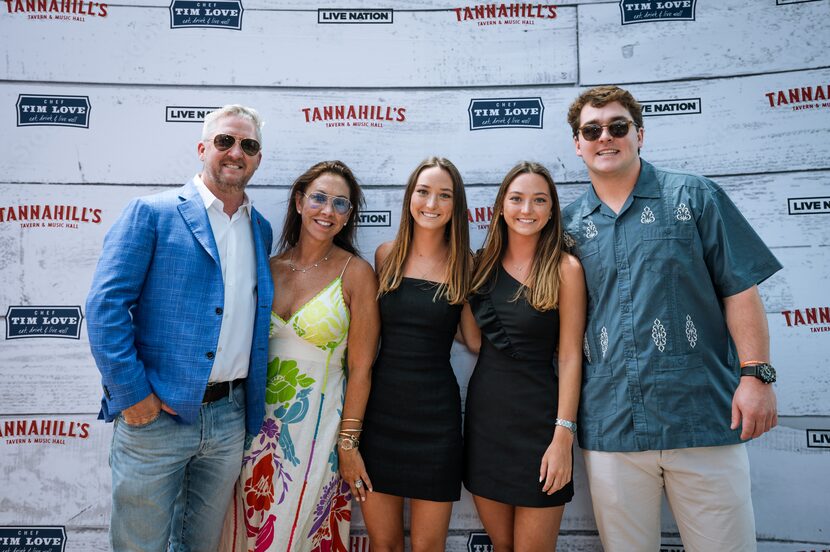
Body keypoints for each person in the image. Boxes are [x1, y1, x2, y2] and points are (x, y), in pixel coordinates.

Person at [562, 85, 782, 551]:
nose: (606, 137)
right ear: (577, 144)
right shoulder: (567, 227)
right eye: (592, 130)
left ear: (640, 134)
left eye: (618, 127)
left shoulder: (695, 195)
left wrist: (756, 376)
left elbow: (740, 288)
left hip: (702, 417)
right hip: (611, 424)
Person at [85, 104, 273, 551]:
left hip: (228, 419)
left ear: (258, 158)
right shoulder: (151, 213)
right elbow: (105, 307)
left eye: (248, 145)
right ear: (203, 147)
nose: (235, 152)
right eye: (225, 141)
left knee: (200, 546)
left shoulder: (260, 229)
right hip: (156, 417)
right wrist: (134, 397)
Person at [220, 160, 380, 552]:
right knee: (243, 536)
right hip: (252, 431)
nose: (327, 211)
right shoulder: (268, 268)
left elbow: (361, 369)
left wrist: (348, 444)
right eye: (319, 198)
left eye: (340, 204)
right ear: (298, 202)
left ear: (348, 218)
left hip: (317, 434)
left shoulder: (356, 273)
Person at [462, 162, 586, 552]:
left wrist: (562, 436)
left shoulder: (566, 269)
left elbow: (569, 358)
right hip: (487, 423)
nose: (526, 209)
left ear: (552, 211)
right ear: (501, 206)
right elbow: (475, 342)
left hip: (541, 427)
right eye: (516, 199)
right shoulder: (479, 267)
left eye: (539, 200)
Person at [359, 157, 471, 552]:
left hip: (436, 422)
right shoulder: (384, 256)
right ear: (410, 197)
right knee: (383, 543)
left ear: (455, 205)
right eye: (423, 191)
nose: (431, 203)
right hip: (380, 416)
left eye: (444, 195)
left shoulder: (466, 265)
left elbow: (475, 342)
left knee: (428, 546)